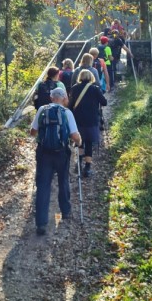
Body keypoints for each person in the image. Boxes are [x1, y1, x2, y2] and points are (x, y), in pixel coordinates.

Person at [30, 87, 82, 235]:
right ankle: (65, 211)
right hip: (61, 153)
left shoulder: (42, 110)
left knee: (43, 186)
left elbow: (32, 132)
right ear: (64, 98)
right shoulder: (67, 112)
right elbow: (74, 135)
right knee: (63, 181)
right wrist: (79, 142)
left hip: (44, 153)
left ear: (51, 98)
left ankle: (41, 223)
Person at [69, 69, 107, 178]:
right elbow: (104, 102)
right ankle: (87, 168)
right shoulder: (95, 89)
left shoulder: (74, 88)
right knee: (89, 143)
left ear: (80, 77)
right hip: (91, 120)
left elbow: (70, 105)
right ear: (91, 77)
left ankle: (79, 164)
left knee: (80, 141)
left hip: (78, 119)